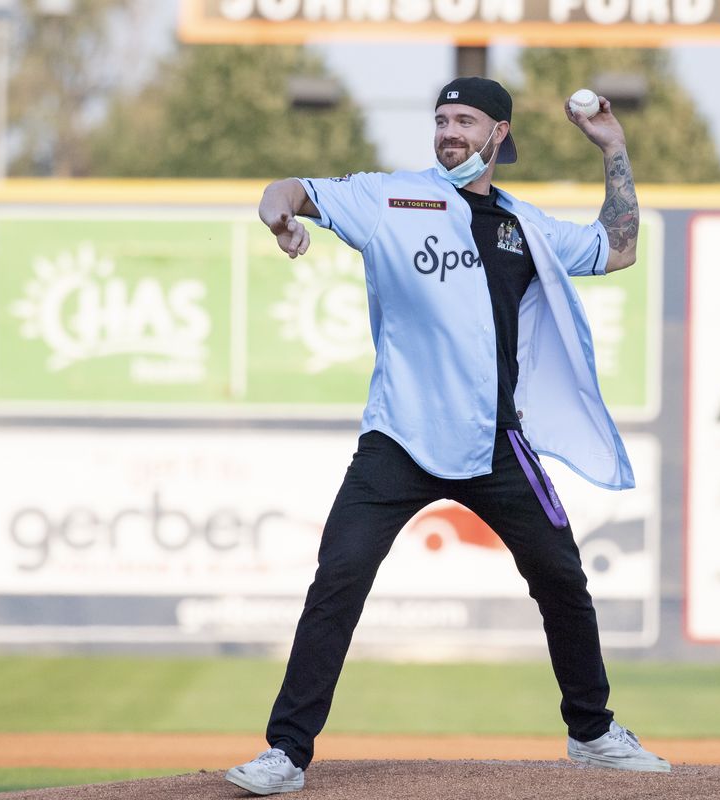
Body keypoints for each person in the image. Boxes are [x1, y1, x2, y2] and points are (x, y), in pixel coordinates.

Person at [224, 76, 668, 796]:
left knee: (563, 579)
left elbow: (618, 248)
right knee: (336, 582)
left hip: (496, 442)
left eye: (465, 120)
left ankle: (592, 733)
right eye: (441, 120)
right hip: (397, 437)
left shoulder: (523, 226)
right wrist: (280, 220)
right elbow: (288, 188)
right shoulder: (392, 198)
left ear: (499, 133)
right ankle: (286, 753)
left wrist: (614, 149)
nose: (449, 132)